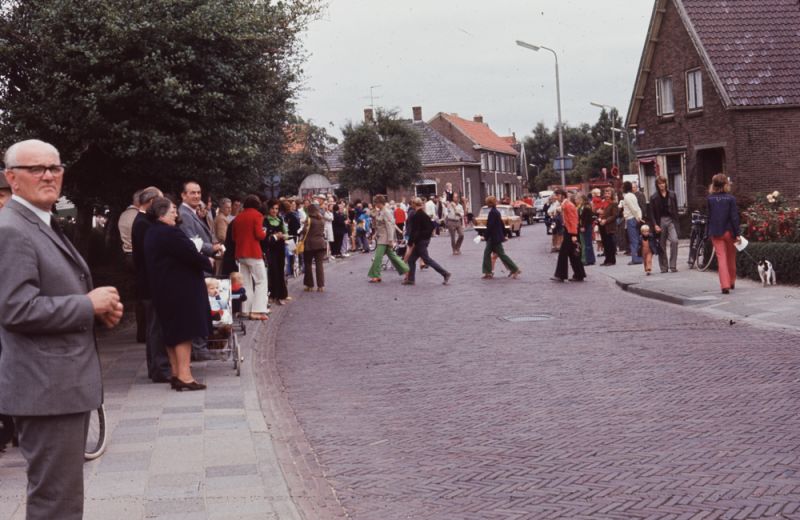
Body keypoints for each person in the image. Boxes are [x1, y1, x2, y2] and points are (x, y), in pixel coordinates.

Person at [0, 139, 124, 520]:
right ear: (11, 178)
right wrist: (87, 305)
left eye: (54, 168)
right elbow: (16, 308)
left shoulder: (40, 221)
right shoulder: (12, 229)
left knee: (62, 499)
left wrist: (97, 313)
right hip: (46, 389)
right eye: (36, 169)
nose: (48, 176)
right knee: (56, 503)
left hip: (58, 386)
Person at [144, 197, 211, 391]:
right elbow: (190, 254)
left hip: (163, 288)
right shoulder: (170, 232)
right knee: (184, 331)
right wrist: (207, 262)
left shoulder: (151, 232)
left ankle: (175, 373)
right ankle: (185, 375)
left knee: (171, 332)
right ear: (161, 214)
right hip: (180, 289)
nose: (176, 214)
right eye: (172, 211)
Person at [131, 186, 172, 383]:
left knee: (154, 327)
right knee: (156, 328)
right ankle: (160, 368)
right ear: (152, 202)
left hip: (149, 281)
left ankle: (157, 367)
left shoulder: (143, 222)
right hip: (151, 283)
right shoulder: (143, 224)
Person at [231, 195, 269, 320]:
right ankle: (257, 310)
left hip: (240, 253)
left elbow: (234, 237)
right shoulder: (257, 215)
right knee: (261, 281)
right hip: (253, 252)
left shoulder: (238, 217)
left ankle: (245, 310)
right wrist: (264, 232)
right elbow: (259, 235)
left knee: (246, 282)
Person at [707, 174, 741, 294]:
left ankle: (724, 285)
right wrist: (737, 233)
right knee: (731, 257)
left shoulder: (710, 199)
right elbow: (734, 217)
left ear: (713, 185)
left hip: (716, 232)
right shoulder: (731, 199)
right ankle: (731, 281)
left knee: (721, 258)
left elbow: (709, 217)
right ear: (726, 184)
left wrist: (708, 232)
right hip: (729, 232)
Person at [404, 197, 451, 285]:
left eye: (412, 204)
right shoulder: (423, 214)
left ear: (414, 204)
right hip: (423, 240)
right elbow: (431, 227)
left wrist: (411, 242)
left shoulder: (417, 215)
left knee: (427, 260)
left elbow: (415, 231)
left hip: (420, 242)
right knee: (411, 260)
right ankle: (410, 279)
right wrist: (426, 237)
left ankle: (445, 273)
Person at [119, 189, 145, 341]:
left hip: (127, 255)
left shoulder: (123, 214)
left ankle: (141, 332)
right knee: (144, 296)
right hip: (136, 255)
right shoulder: (138, 217)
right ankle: (143, 332)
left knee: (138, 296)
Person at [367, 195, 409, 283]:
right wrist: (375, 234)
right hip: (382, 237)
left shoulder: (386, 212)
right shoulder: (381, 211)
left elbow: (390, 226)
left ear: (379, 203)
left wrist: (390, 240)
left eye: (375, 202)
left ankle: (376, 275)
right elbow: (380, 226)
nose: (375, 204)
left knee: (378, 257)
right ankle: (407, 271)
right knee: (393, 257)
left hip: (385, 239)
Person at [480, 196, 520, 280]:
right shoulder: (496, 212)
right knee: (488, 254)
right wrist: (504, 234)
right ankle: (488, 272)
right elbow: (501, 224)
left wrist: (485, 236)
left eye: (487, 202)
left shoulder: (492, 213)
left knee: (500, 255)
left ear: (489, 203)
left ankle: (515, 269)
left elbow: (490, 226)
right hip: (495, 237)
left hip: (493, 238)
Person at [552, 189, 586, 282]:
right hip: (570, 231)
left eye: (557, 195)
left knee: (563, 254)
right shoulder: (565, 204)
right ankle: (579, 274)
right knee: (573, 254)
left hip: (571, 232)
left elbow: (573, 220)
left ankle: (561, 275)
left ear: (562, 195)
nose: (556, 197)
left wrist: (574, 234)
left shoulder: (568, 205)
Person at [649, 175, 680, 273]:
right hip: (660, 220)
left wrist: (676, 221)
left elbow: (676, 209)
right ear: (657, 185)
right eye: (659, 183)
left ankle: (673, 265)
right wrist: (655, 225)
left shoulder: (672, 194)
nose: (662, 185)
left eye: (663, 183)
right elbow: (651, 213)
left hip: (671, 220)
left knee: (674, 240)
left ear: (666, 183)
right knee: (661, 244)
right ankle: (664, 267)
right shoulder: (653, 197)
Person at [262, 199, 289, 304]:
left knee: (280, 270)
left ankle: (281, 295)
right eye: (272, 208)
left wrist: (284, 236)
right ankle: (272, 295)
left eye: (276, 209)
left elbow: (286, 233)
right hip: (271, 249)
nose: (274, 211)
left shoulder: (280, 219)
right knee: (273, 271)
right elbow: (264, 236)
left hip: (280, 248)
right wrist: (274, 236)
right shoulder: (265, 220)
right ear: (269, 209)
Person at [302, 203, 327, 291]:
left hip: (309, 245)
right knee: (319, 265)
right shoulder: (321, 220)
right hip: (321, 244)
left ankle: (309, 285)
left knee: (308, 264)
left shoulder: (309, 220)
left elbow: (304, 231)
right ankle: (321, 286)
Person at [619, 181, 643, 265]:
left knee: (633, 240)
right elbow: (637, 207)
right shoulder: (633, 195)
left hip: (631, 218)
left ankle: (635, 259)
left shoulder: (627, 197)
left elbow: (632, 208)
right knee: (636, 238)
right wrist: (639, 217)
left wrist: (637, 217)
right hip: (635, 218)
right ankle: (639, 257)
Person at [598, 187, 618, 266]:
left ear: (612, 194)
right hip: (602, 225)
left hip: (609, 226)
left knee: (610, 243)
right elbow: (601, 212)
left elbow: (614, 215)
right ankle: (607, 259)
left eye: (609, 193)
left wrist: (606, 220)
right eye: (606, 193)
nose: (607, 195)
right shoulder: (603, 202)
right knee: (605, 243)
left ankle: (611, 260)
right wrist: (599, 213)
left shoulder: (614, 203)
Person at [576, 192, 596, 266]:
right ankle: (588, 259)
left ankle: (588, 259)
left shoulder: (586, 207)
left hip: (587, 227)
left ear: (582, 199)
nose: (576, 200)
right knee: (584, 243)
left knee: (587, 243)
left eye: (578, 198)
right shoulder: (581, 207)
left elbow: (587, 219)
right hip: (583, 226)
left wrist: (583, 226)